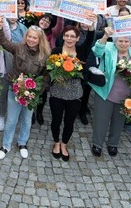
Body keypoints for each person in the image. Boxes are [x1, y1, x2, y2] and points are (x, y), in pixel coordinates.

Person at [0, 19, 50, 160]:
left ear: (40, 40)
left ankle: (22, 143)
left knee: (27, 119)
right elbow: (4, 42)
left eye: (34, 38)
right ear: (26, 37)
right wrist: (0, 28)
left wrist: (37, 90)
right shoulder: (19, 48)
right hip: (15, 89)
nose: (31, 40)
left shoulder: (45, 55)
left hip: (32, 93)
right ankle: (5, 145)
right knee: (11, 119)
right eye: (29, 37)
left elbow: (46, 76)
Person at [90, 27, 131, 157]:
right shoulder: (108, 47)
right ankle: (97, 144)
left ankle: (113, 144)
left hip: (125, 94)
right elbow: (97, 52)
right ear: (115, 41)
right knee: (101, 119)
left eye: (126, 41)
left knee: (119, 121)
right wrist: (105, 36)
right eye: (120, 41)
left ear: (130, 42)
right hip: (106, 90)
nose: (123, 44)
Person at [49, 23, 95, 161]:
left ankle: (64, 144)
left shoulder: (81, 51)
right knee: (56, 120)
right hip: (57, 91)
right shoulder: (56, 51)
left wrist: (91, 27)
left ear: (77, 38)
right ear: (63, 37)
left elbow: (90, 39)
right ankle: (56, 142)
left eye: (72, 36)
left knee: (69, 121)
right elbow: (50, 68)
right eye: (67, 36)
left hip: (74, 92)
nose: (69, 39)